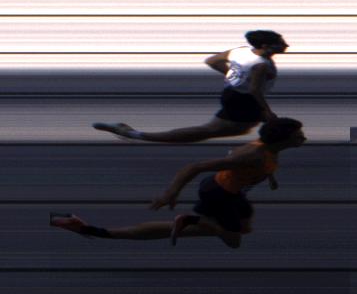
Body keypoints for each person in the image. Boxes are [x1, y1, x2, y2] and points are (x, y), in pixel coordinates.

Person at [51, 117, 307, 249]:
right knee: (232, 240)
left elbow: (253, 165)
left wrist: (269, 177)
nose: (303, 138)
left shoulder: (267, 149)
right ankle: (191, 220)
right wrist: (170, 194)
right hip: (220, 195)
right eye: (299, 136)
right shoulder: (253, 154)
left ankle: (196, 222)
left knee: (239, 227)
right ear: (282, 139)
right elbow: (195, 167)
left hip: (230, 193)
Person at [93, 30, 288, 142]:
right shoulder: (261, 65)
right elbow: (254, 90)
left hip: (232, 94)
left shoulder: (241, 50)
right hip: (245, 100)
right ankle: (133, 134)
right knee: (209, 131)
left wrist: (233, 75)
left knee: (237, 130)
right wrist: (266, 110)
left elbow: (212, 61)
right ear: (265, 45)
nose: (285, 45)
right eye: (280, 43)